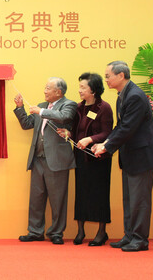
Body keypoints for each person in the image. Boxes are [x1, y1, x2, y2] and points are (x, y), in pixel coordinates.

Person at [92, 61, 153, 252]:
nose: (106, 79)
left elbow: (128, 128)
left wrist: (107, 147)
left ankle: (140, 239)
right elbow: (120, 127)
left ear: (120, 76)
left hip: (141, 156)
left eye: (108, 76)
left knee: (140, 201)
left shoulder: (135, 96)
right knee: (129, 200)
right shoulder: (122, 95)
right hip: (130, 156)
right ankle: (129, 235)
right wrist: (104, 143)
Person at [14, 77, 77, 245]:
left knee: (58, 199)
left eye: (48, 88)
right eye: (45, 87)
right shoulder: (41, 106)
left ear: (59, 92)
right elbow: (27, 124)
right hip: (38, 160)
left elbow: (64, 117)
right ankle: (35, 231)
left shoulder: (68, 105)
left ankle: (56, 232)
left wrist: (41, 112)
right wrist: (20, 108)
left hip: (56, 161)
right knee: (36, 198)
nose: (45, 91)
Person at [57, 73, 113, 246]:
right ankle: (80, 231)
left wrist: (90, 139)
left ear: (93, 90)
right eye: (79, 87)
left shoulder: (104, 108)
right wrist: (68, 134)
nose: (79, 90)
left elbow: (107, 133)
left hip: (98, 158)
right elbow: (75, 131)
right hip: (81, 157)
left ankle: (101, 232)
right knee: (81, 193)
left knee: (99, 194)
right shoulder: (79, 108)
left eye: (83, 87)